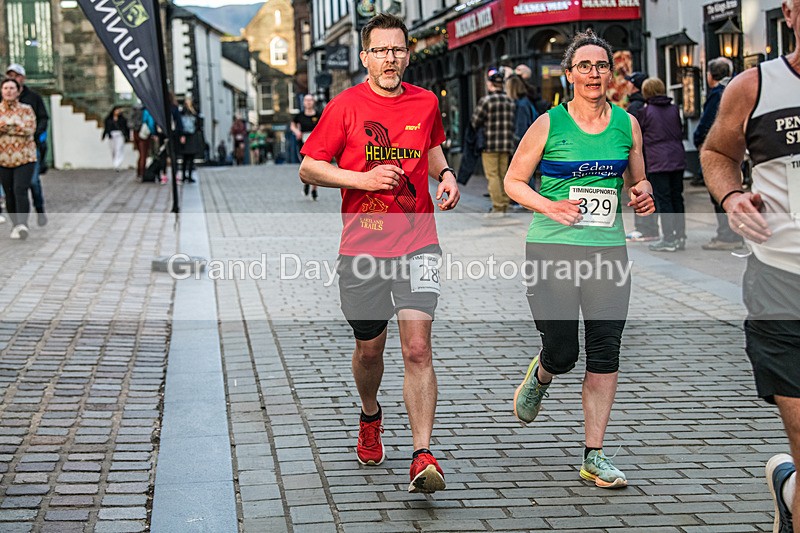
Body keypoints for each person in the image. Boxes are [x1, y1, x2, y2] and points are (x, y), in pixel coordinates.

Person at [298, 13, 460, 494]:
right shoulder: (345, 106)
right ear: (365, 56)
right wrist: (362, 179)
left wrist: (446, 174)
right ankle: (370, 415)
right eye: (380, 50)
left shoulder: (427, 101)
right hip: (363, 247)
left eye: (398, 49)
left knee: (417, 347)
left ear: (408, 53)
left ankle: (422, 453)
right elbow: (310, 167)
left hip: (418, 241)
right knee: (371, 348)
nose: (390, 58)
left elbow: (431, 146)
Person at [504, 30, 655, 489]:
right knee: (566, 352)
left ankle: (594, 454)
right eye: (583, 66)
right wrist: (550, 205)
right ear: (568, 74)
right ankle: (543, 371)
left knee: (605, 351)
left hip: (607, 251)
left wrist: (643, 194)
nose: (593, 73)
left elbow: (639, 180)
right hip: (551, 247)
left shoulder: (627, 125)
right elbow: (514, 181)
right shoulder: (549, 124)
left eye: (601, 65)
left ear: (612, 73)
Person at [701, 1, 799, 530]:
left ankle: (787, 487)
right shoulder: (756, 87)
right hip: (781, 285)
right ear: (791, 12)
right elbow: (716, 152)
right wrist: (733, 196)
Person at [695, 57, 745, 251]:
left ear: (711, 75)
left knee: (721, 193)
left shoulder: (718, 94)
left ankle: (728, 235)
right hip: (737, 149)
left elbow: (708, 123)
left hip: (721, 151)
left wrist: (700, 139)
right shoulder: (735, 90)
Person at [638, 77, 687, 252]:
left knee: (663, 199)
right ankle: (680, 235)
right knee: (677, 197)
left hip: (658, 160)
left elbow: (640, 137)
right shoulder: (674, 109)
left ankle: (668, 238)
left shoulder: (646, 112)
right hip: (677, 157)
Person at [6, 64, 48, 227]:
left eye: (16, 76)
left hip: (29, 148)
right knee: (10, 186)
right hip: (6, 150)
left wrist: (37, 133)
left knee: (32, 182)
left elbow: (42, 118)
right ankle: (18, 221)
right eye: (10, 76)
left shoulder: (32, 99)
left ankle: (39, 209)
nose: (13, 79)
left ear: (22, 78)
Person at [472, 67, 515, 218]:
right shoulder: (510, 101)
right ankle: (505, 204)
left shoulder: (486, 101)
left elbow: (475, 121)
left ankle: (498, 208)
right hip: (506, 144)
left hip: (489, 144)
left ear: (490, 84)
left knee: (492, 175)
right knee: (503, 175)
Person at [623, 71, 659, 243]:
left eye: (630, 82)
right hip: (655, 156)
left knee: (639, 190)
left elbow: (634, 137)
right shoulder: (647, 105)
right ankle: (649, 228)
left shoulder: (635, 108)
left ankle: (645, 229)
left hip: (643, 155)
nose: (627, 85)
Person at [0, 77, 37, 240]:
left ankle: (23, 224)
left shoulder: (26, 109)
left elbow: (29, 129)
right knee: (8, 193)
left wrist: (6, 127)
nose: (9, 91)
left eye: (12, 88)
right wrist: (15, 126)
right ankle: (15, 224)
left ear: (18, 91)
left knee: (20, 189)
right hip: (3, 158)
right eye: (6, 88)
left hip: (24, 157)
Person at [292, 94, 322, 200]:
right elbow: (293, 125)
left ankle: (314, 189)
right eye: (306, 100)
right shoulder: (299, 116)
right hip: (303, 142)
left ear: (313, 102)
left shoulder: (319, 115)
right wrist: (297, 132)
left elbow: (324, 125)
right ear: (303, 102)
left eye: (310, 100)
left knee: (315, 166)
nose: (308, 102)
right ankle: (307, 182)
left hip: (316, 142)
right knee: (305, 165)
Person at [178, 97, 204, 183]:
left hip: (192, 135)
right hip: (186, 136)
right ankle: (184, 175)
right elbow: (180, 123)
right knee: (185, 157)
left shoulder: (194, 111)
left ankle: (189, 175)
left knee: (191, 157)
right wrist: (181, 135)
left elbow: (199, 122)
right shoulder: (182, 111)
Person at [131, 105, 156, 180]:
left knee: (140, 154)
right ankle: (142, 173)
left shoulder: (134, 110)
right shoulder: (146, 111)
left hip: (136, 132)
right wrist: (153, 133)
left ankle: (139, 172)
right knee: (144, 154)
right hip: (144, 133)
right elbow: (150, 122)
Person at [102, 106, 129, 171]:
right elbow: (106, 128)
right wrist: (104, 135)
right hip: (112, 135)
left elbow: (126, 128)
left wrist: (127, 136)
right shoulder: (108, 119)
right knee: (113, 150)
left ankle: (118, 164)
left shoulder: (122, 119)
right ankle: (115, 162)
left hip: (119, 134)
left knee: (119, 149)